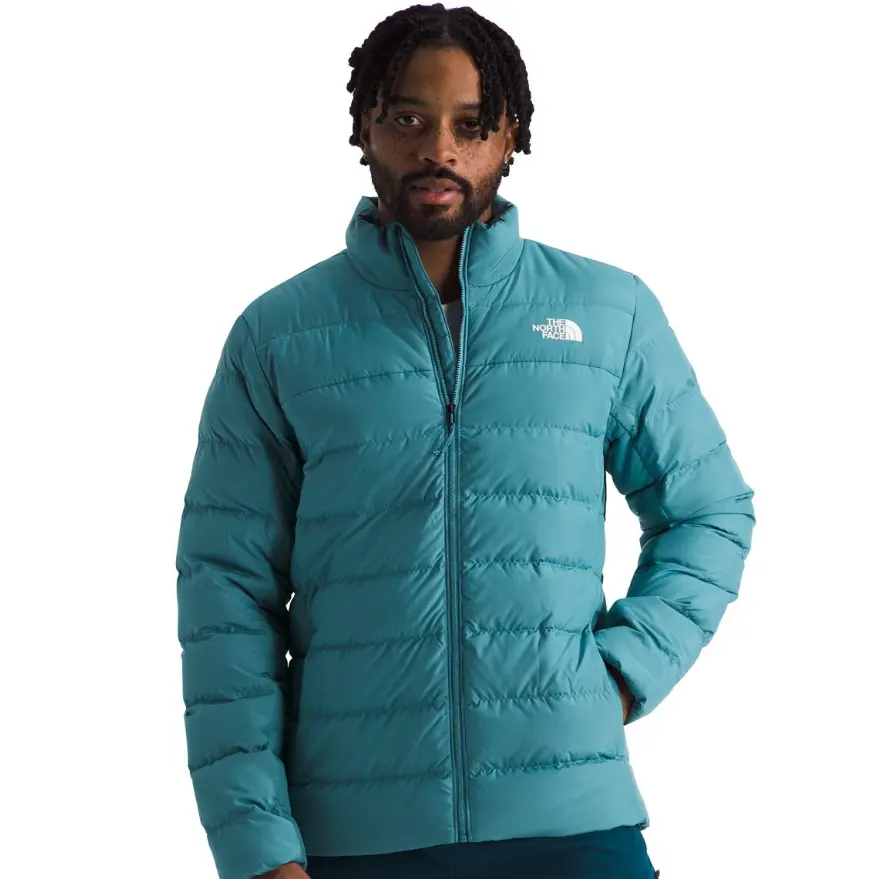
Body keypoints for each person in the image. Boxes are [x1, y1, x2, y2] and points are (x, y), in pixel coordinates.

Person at [175, 4, 756, 878]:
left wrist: (619, 675)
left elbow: (709, 511)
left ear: (510, 135)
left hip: (572, 824)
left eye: (470, 124)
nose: (438, 149)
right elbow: (224, 593)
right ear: (364, 128)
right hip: (357, 834)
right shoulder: (279, 335)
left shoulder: (608, 312)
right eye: (408, 119)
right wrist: (255, 844)